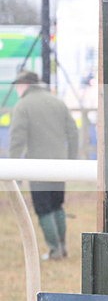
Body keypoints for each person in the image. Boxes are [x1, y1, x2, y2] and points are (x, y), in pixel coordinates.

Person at [9, 70, 79, 261]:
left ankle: (54, 250)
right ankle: (62, 248)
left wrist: (13, 171)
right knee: (57, 205)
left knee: (43, 208)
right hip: (60, 166)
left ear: (24, 85)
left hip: (38, 168)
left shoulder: (23, 105)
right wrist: (71, 160)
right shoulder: (57, 102)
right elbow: (73, 132)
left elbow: (17, 141)